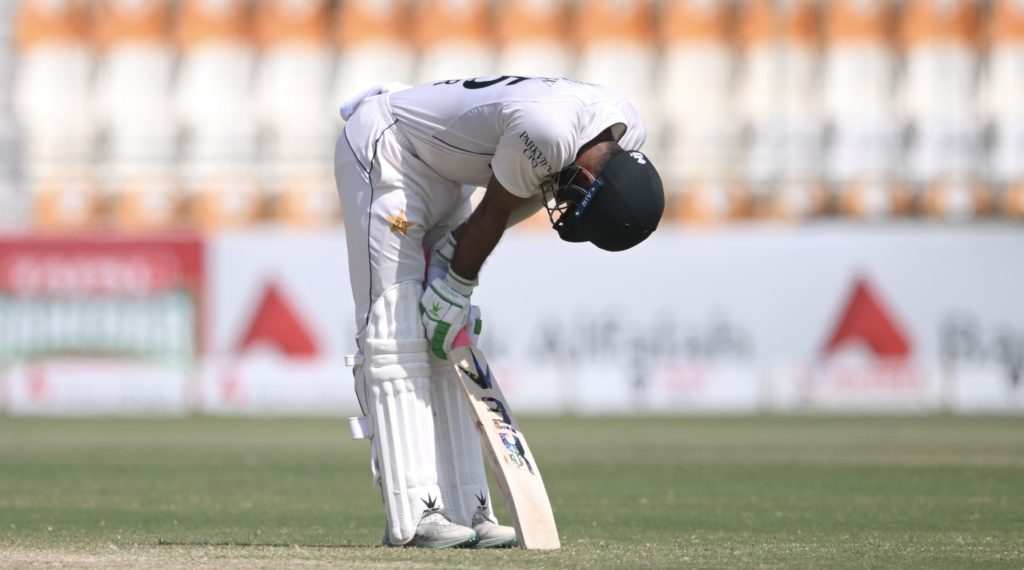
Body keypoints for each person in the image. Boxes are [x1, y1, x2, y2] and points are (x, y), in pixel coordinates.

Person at [334, 76, 664, 549]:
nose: (564, 205)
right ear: (591, 181)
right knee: (396, 327)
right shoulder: (550, 131)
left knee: (444, 338)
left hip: (445, 174)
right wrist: (456, 283)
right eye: (576, 202)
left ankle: (468, 507)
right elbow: (495, 211)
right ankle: (415, 512)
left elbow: (520, 192)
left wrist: (453, 260)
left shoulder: (622, 131)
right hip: (388, 152)